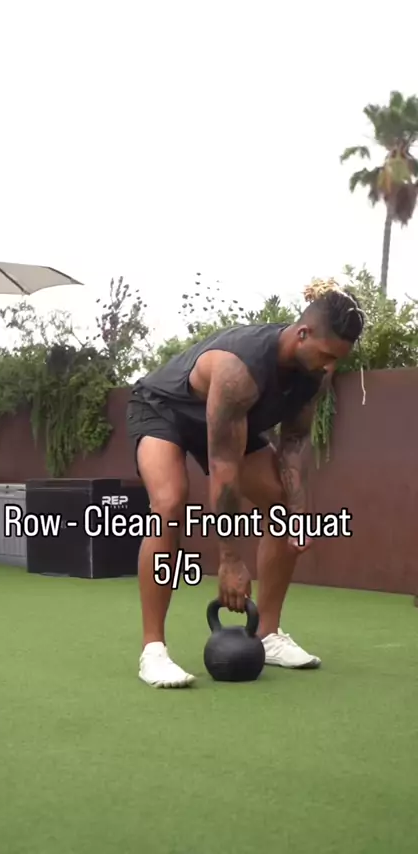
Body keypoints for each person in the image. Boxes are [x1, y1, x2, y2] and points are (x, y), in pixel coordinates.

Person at [126, 280, 365, 687]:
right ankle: (153, 651)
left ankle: (267, 633)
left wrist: (299, 509)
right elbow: (224, 467)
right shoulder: (240, 367)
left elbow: (293, 443)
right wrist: (230, 559)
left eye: (336, 360)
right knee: (168, 503)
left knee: (281, 507)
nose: (329, 366)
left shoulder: (315, 374)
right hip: (165, 410)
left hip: (230, 424)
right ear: (303, 333)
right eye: (326, 354)